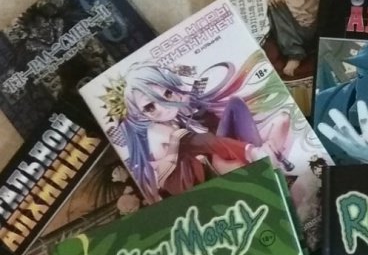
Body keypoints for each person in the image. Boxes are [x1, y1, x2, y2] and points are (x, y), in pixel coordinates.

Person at [108, 59, 293, 202]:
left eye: (168, 93)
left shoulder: (178, 118)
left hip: (214, 164)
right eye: (150, 107)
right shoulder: (155, 132)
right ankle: (264, 157)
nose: (164, 106)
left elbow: (209, 132)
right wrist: (250, 151)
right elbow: (202, 142)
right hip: (204, 183)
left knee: (238, 106)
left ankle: (268, 158)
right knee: (207, 144)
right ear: (139, 114)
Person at [268, 0, 321, 78]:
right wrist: (274, 0)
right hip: (293, 32)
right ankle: (295, 55)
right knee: (273, 7)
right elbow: (277, 15)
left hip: (317, 28)